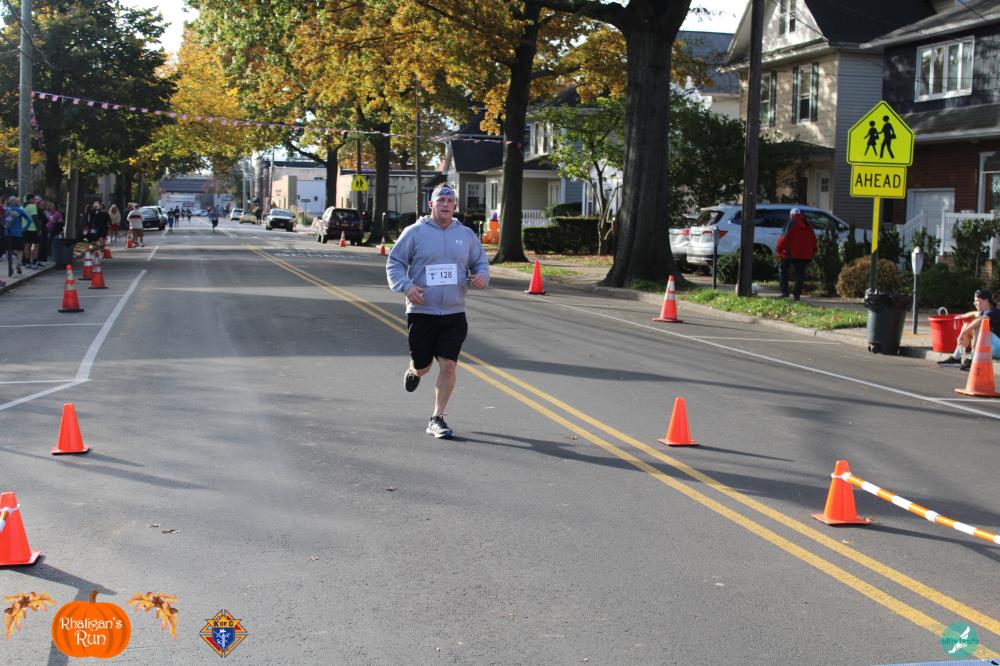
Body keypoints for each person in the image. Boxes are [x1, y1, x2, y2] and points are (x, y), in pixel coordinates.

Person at [386, 183, 489, 439]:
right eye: (440, 200)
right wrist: (406, 286)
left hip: (454, 312)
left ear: (455, 206)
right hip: (422, 310)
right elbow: (395, 262)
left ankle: (437, 418)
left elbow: (480, 262)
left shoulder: (465, 235)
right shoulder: (415, 232)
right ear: (431, 204)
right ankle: (414, 370)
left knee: (449, 365)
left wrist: (482, 275)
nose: (445, 204)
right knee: (423, 367)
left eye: (449, 200)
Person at [938, 289, 1000, 370]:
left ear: (986, 301)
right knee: (967, 325)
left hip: (998, 348)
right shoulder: (984, 311)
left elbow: (981, 320)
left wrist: (963, 333)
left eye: (977, 301)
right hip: (992, 346)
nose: (974, 303)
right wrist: (962, 316)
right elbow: (974, 313)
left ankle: (973, 359)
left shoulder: (994, 311)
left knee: (977, 326)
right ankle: (956, 358)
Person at [776, 208, 816, 301]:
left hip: (790, 253)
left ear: (791, 215)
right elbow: (813, 240)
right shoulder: (808, 224)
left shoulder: (791, 223)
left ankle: (785, 292)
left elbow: (784, 238)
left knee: (783, 270)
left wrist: (779, 249)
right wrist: (813, 251)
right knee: (800, 274)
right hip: (804, 254)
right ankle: (797, 295)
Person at [2, 196, 31, 275]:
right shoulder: (20, 210)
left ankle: (10, 266)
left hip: (7, 233)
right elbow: (29, 220)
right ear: (16, 202)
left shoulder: (5, 210)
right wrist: (24, 229)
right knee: (20, 250)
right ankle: (18, 264)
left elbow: (3, 221)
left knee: (8, 250)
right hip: (18, 233)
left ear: (9, 202)